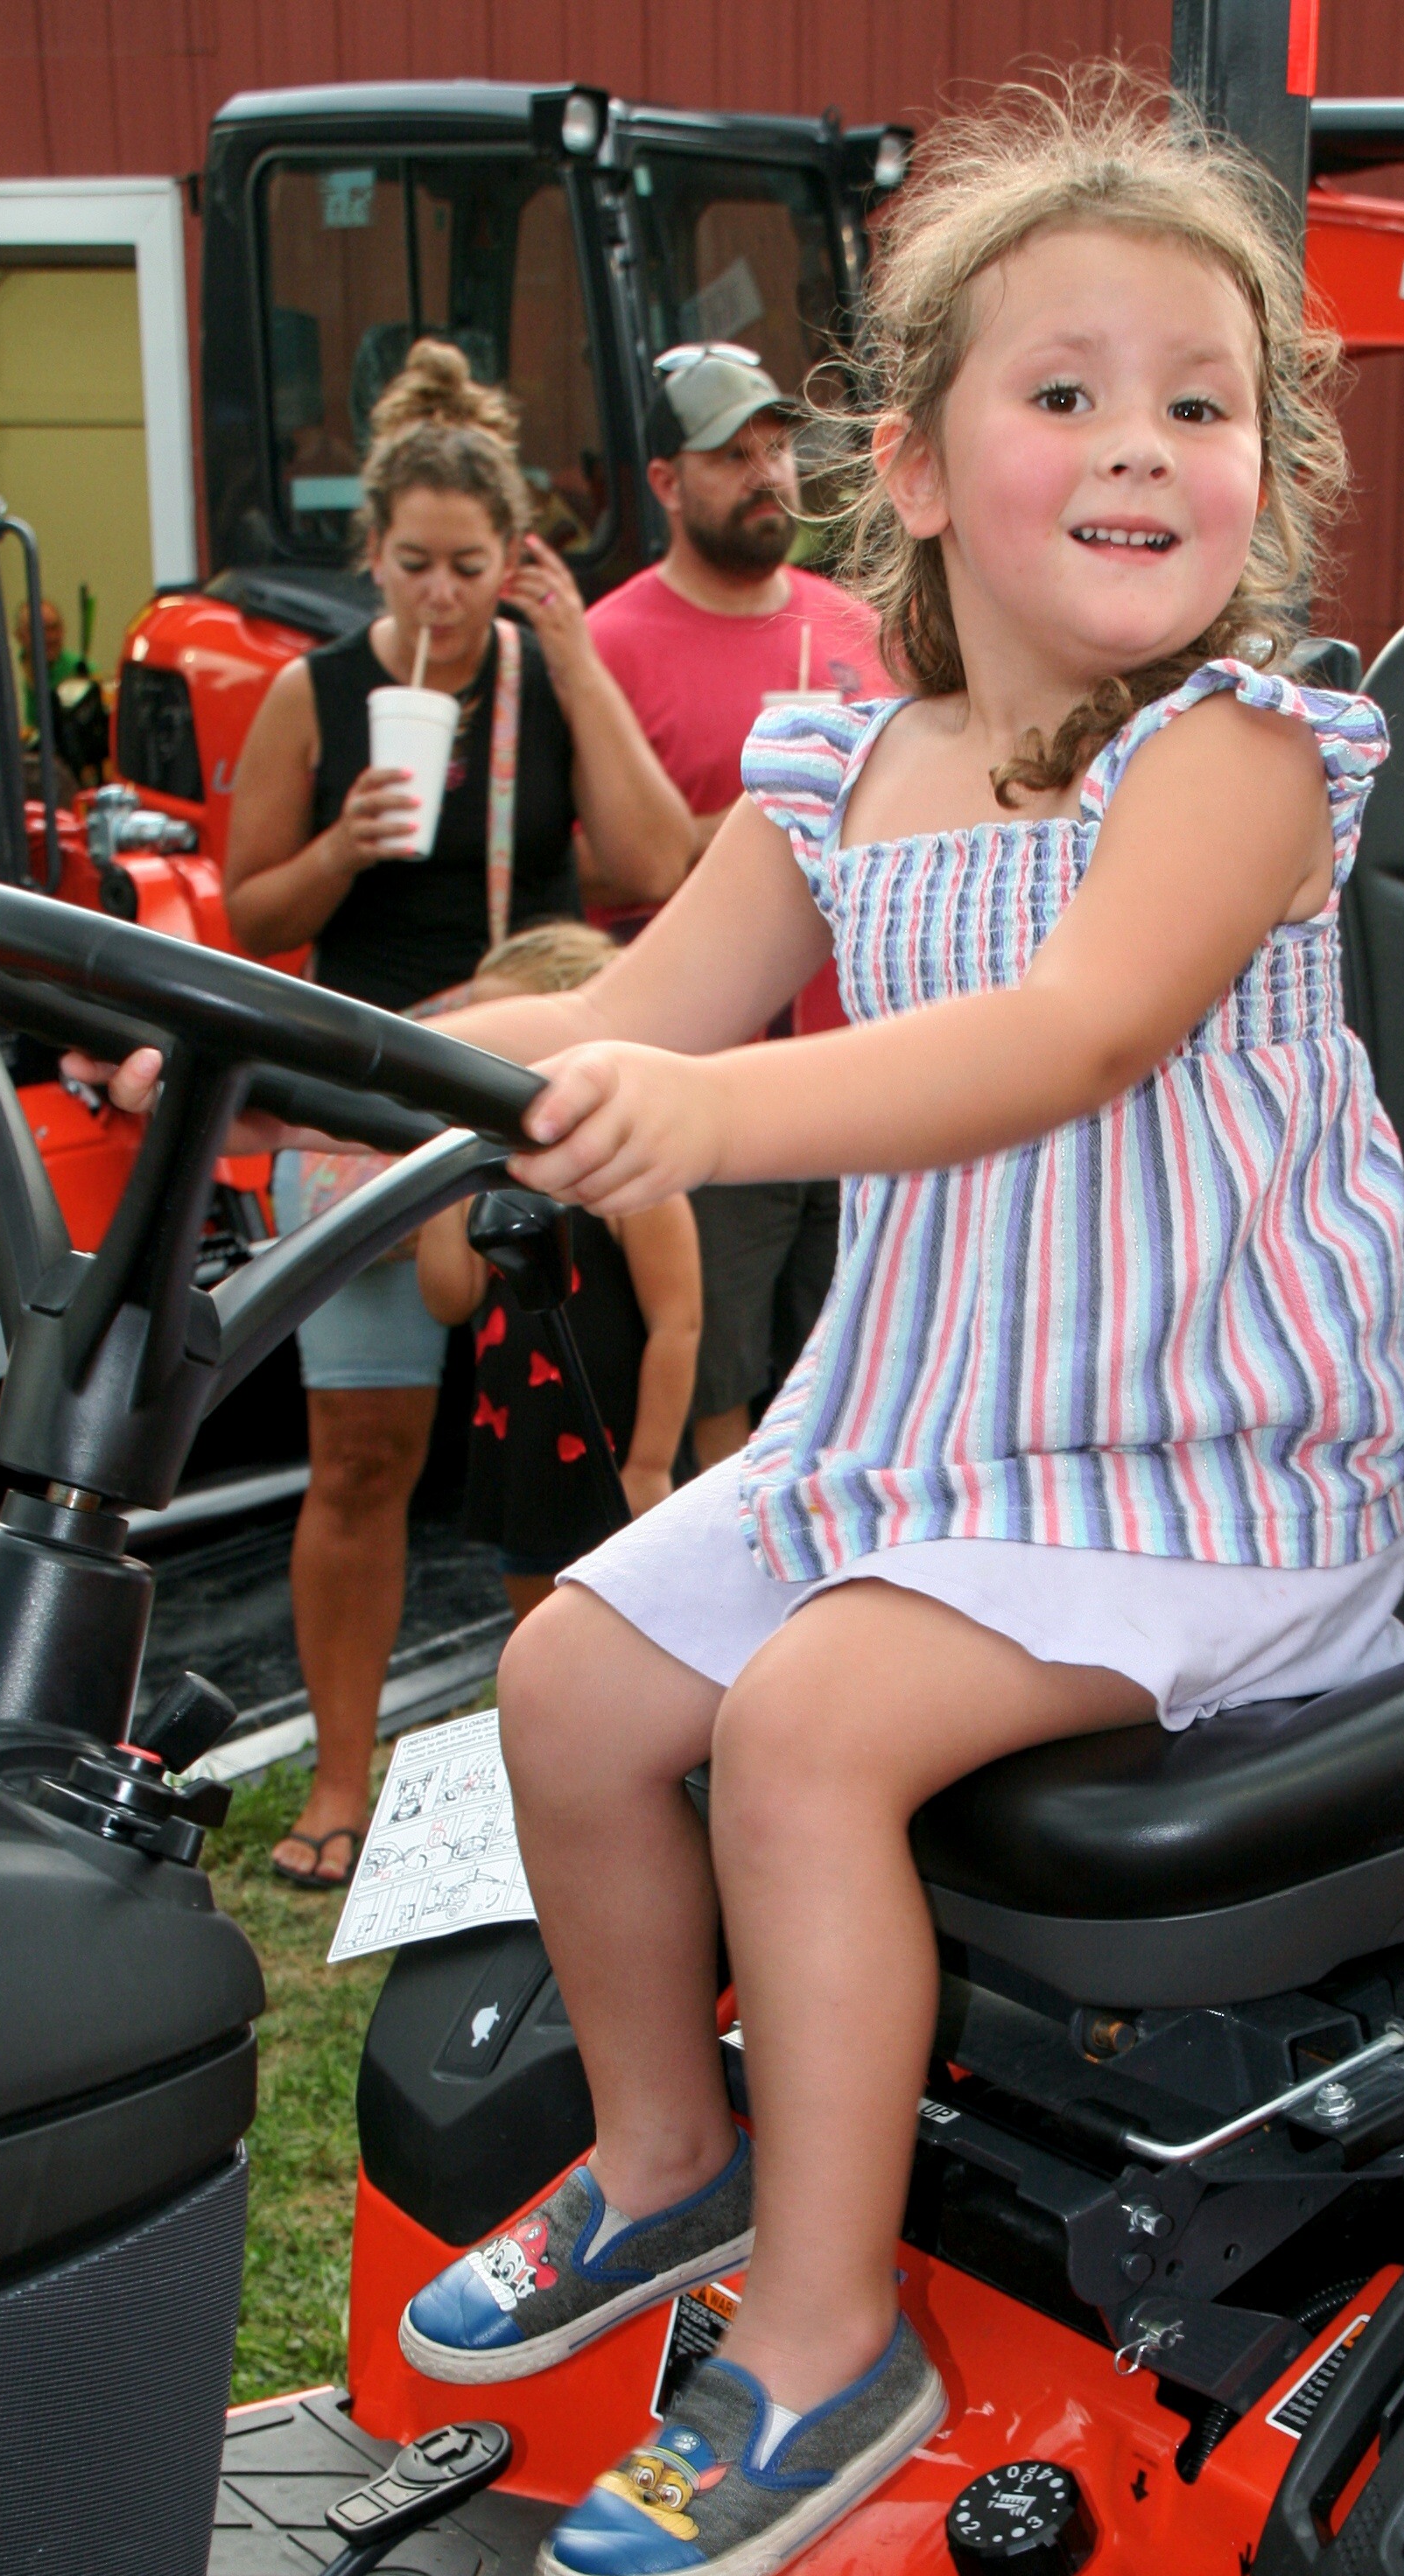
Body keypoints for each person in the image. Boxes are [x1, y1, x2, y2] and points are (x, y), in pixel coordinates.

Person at [321, 75, 1404, 2576]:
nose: (1140, 443)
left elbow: (1064, 1036)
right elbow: (628, 1005)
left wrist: (705, 1114)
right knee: (574, 1676)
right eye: (1068, 391)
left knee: (808, 1724)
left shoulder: (1239, 762)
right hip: (911, 1442)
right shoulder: (840, 766)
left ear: (1265, 471)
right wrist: (341, 1061)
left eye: (1200, 401)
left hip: (1185, 1469)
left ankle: (823, 2341)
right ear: (913, 469)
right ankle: (663, 2151)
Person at [221, 340, 695, 1887]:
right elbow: (248, 912)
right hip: (369, 1110)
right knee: (362, 1455)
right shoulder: (315, 693)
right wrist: (343, 851)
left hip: (527, 1106)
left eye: (469, 567)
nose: (439, 595)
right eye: (413, 564)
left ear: (515, 562)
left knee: (566, 1446)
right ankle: (338, 1787)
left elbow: (655, 864)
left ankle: (578, 1783)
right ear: (372, 554)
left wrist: (572, 657)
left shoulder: (545, 674)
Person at [584, 345, 894, 1467]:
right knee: (713, 1388)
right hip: (706, 1072)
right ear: (667, 482)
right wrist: (766, 819)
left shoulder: (861, 626)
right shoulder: (609, 643)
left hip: (867, 1074)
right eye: (732, 455)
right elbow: (591, 877)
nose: (768, 473)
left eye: (777, 447)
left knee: (859, 1385)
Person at [415, 920, 703, 1622]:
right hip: (524, 1441)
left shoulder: (627, 1165)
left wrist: (650, 1463)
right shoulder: (488, 1165)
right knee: (538, 1617)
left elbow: (679, 1322)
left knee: (638, 1620)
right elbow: (449, 1301)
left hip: (617, 1443)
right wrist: (442, 1178)